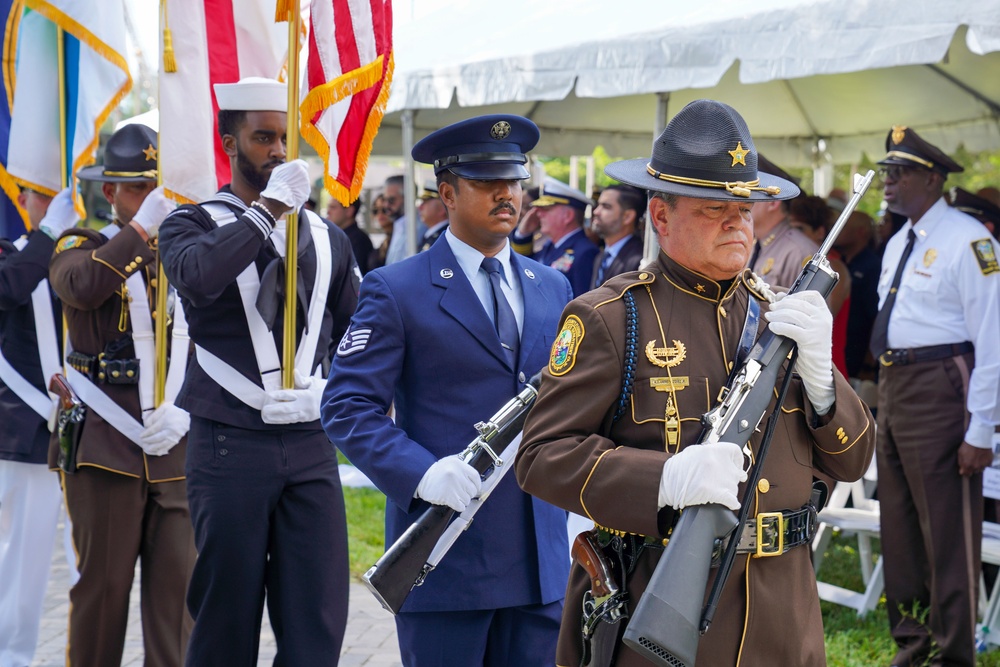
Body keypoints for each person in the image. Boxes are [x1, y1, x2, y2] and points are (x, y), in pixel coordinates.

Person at [515, 99, 876, 666]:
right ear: (661, 217)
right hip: (665, 605)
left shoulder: (779, 318)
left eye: (747, 207)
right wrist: (665, 480)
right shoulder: (613, 317)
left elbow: (851, 463)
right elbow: (541, 456)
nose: (737, 222)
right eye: (713, 209)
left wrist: (822, 380)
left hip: (785, 610)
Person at [323, 113, 573, 666]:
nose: (506, 195)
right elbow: (346, 406)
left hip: (539, 560)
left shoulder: (553, 285)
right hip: (449, 552)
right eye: (487, 182)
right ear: (449, 192)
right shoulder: (398, 288)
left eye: (513, 181)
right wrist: (420, 471)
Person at [157, 77, 359, 666]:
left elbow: (359, 330)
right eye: (262, 137)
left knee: (317, 620)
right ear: (230, 143)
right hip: (228, 443)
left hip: (309, 442)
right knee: (225, 620)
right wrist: (269, 208)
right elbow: (198, 276)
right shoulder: (189, 223)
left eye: (284, 138)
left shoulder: (328, 237)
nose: (277, 150)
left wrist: (333, 387)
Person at [48, 122, 195, 666]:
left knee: (178, 604)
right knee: (103, 595)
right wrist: (141, 228)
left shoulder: (182, 252)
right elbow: (84, 286)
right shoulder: (79, 244)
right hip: (105, 444)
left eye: (160, 187)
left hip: (175, 446)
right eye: (138, 188)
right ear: (109, 192)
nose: (153, 198)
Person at [873, 125, 1000, 667]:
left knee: (947, 532)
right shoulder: (899, 240)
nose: (887, 182)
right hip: (894, 385)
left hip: (943, 388)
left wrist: (981, 428)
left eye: (898, 173)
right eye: (885, 172)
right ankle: (912, 644)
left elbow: (993, 336)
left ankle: (953, 654)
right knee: (898, 525)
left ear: (932, 178)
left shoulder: (970, 240)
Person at [0, 187, 72, 667]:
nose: (55, 200)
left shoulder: (86, 255)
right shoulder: (14, 254)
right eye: (43, 193)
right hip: (21, 428)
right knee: (16, 554)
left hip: (91, 430)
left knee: (79, 559)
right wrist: (46, 234)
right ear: (21, 198)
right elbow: (10, 287)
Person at [788, 194, 852, 378]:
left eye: (800, 229)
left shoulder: (835, 267)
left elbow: (821, 316)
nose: (794, 236)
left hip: (826, 369)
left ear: (820, 232)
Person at [513, 179, 599, 296]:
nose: (538, 214)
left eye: (546, 209)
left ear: (568, 216)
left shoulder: (585, 251)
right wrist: (523, 234)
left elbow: (581, 303)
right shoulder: (551, 245)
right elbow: (524, 269)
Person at [749, 154, 818, 288]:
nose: (741, 202)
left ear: (773, 203)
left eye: (752, 195)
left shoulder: (798, 252)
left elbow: (809, 307)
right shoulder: (754, 246)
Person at [833, 209, 881, 399]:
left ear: (861, 232)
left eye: (844, 226)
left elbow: (876, 317)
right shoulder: (840, 261)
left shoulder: (873, 266)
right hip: (844, 350)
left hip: (860, 358)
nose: (836, 230)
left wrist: (869, 364)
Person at [589, 183, 645, 288]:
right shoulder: (601, 257)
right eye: (598, 205)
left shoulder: (638, 260)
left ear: (627, 217)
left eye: (606, 207)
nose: (596, 212)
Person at [384, 174, 426, 264]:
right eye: (385, 200)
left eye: (391, 200)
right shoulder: (399, 224)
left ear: (408, 198)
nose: (386, 205)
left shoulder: (420, 226)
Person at [327, 196, 374, 275]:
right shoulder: (336, 236)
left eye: (333, 207)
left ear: (349, 211)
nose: (328, 212)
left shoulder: (359, 241)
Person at [417, 180, 449, 250]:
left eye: (425, 202)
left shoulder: (444, 238)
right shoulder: (432, 236)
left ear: (443, 207)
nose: (420, 207)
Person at [369, 193, 393, 271]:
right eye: (376, 210)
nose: (380, 214)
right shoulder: (384, 243)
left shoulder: (401, 238)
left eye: (384, 210)